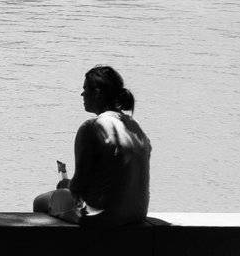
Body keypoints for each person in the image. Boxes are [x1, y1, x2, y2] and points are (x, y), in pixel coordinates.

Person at [34, 65, 152, 227]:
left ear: (97, 93)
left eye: (85, 89)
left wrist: (66, 185)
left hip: (104, 218)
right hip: (136, 215)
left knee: (41, 201)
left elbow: (78, 188)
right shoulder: (136, 128)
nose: (82, 94)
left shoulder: (92, 127)